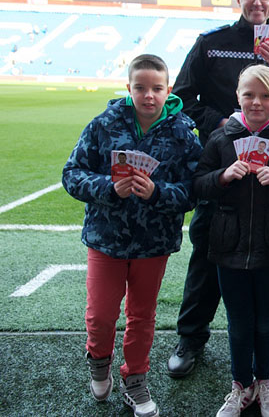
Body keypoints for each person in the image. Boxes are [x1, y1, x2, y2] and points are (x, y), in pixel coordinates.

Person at [170, 0, 269, 379]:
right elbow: (181, 96)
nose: (257, 3)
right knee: (209, 243)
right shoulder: (211, 44)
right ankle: (191, 336)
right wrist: (219, 124)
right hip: (222, 160)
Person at [62, 54, 202, 417]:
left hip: (153, 244)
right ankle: (99, 360)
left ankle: (136, 378)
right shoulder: (104, 125)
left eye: (157, 88)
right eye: (140, 88)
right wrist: (110, 187)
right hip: (105, 239)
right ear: (129, 89)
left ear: (168, 90)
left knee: (142, 315)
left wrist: (156, 192)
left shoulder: (183, 133)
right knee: (101, 314)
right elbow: (72, 175)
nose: (149, 96)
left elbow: (193, 192)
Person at [194, 65, 269, 417]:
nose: (257, 102)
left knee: (265, 321)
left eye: (266, 95)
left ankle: (266, 382)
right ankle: (240, 385)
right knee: (238, 321)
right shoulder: (222, 136)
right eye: (249, 95)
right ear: (237, 96)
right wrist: (222, 176)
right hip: (228, 244)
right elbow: (198, 183)